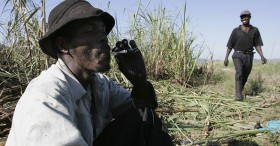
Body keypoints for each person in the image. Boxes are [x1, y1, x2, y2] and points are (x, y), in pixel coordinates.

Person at [5, 0, 174, 146]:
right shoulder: (45, 95)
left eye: (102, 31)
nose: (103, 38)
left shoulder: (100, 84)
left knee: (141, 116)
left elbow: (144, 114)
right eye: (90, 30)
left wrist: (139, 81)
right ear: (63, 45)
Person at [224, 10, 267, 101]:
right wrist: (226, 58)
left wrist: (262, 56)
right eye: (242, 17)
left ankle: (240, 90)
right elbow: (230, 45)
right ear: (240, 19)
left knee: (245, 75)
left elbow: (257, 45)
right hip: (237, 55)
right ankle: (238, 95)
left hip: (249, 56)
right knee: (239, 73)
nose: (244, 18)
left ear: (249, 17)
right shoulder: (236, 31)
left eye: (246, 16)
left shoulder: (255, 30)